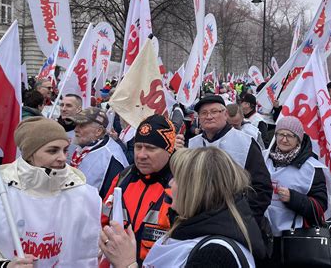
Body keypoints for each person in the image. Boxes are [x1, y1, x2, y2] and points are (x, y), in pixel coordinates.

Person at [0, 117, 102, 267]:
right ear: (29, 154)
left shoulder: (85, 196)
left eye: (65, 150)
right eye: (52, 150)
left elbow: (94, 251)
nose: (62, 158)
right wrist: (4, 265)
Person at [100, 146, 266, 268]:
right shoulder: (191, 229)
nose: (170, 183)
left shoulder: (216, 254)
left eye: (177, 178)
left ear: (196, 189)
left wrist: (127, 264)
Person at [188, 96, 272, 232]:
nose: (209, 116)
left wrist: (245, 220)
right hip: (198, 222)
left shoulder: (245, 143)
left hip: (236, 224)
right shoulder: (192, 144)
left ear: (225, 114)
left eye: (214, 111)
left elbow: (262, 187)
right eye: (203, 113)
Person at [100, 114, 176, 266]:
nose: (141, 155)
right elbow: (103, 222)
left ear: (169, 150)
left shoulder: (180, 184)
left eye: (150, 148)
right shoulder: (123, 177)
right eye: (138, 147)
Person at [265, 116, 329, 266]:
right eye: (280, 134)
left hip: (293, 238)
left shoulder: (312, 168)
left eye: (290, 135)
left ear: (299, 139)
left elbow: (320, 207)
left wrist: (293, 198)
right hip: (262, 234)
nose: (284, 140)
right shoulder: (263, 158)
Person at [69, 107, 129, 198]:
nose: (76, 129)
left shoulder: (111, 156)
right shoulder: (87, 145)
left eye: (82, 125)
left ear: (98, 131)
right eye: (76, 125)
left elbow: (112, 198)